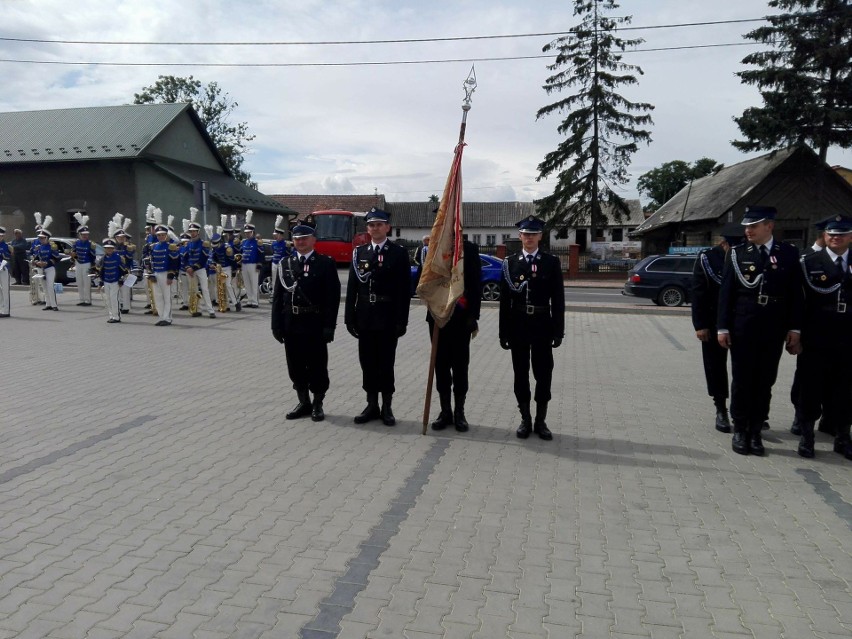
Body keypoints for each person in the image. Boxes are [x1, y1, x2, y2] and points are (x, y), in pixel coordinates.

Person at [717, 205, 803, 456]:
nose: (748, 231)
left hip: (773, 326)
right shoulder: (737, 253)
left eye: (753, 226)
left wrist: (795, 328)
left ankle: (756, 430)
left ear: (769, 226)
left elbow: (795, 295)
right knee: (743, 380)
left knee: (765, 380)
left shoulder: (788, 254)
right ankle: (741, 429)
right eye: (746, 226)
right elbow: (727, 294)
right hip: (743, 324)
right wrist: (722, 327)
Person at [499, 215, 565, 440]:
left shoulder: (551, 262)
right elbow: (505, 302)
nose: (529, 238)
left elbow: (558, 300)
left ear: (540, 236)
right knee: (521, 374)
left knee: (543, 373)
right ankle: (525, 419)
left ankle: (541, 421)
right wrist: (503, 332)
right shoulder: (510, 263)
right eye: (525, 234)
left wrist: (558, 330)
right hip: (518, 325)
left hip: (542, 325)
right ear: (520, 236)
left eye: (533, 234)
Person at [345, 208, 411, 426]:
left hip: (388, 316)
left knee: (386, 363)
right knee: (367, 363)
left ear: (387, 228)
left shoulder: (398, 253)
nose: (375, 228)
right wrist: (349, 318)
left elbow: (404, 291)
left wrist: (402, 320)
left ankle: (387, 406)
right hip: (365, 316)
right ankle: (371, 404)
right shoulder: (359, 252)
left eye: (379, 224)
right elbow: (353, 288)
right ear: (368, 228)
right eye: (371, 225)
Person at [271, 221, 341, 422]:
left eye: (304, 238)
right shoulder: (285, 263)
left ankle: (318, 402)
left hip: (315, 323)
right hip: (291, 322)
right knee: (295, 366)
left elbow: (332, 298)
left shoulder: (325, 263)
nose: (300, 242)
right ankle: (303, 401)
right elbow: (277, 297)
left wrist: (330, 326)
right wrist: (276, 325)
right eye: (296, 239)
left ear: (313, 240)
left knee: (317, 365)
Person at [795, 215, 852, 460]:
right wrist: (795, 333)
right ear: (825, 235)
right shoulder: (809, 261)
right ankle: (807, 436)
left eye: (841, 233)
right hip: (817, 334)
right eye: (831, 233)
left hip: (848, 335)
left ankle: (842, 436)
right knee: (811, 386)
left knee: (845, 389)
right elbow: (798, 302)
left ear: (850, 236)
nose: (835, 237)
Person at [421, 238, 481, 432]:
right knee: (441, 366)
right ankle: (445, 411)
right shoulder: (432, 248)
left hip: (461, 318)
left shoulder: (469, 249)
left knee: (460, 367)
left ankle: (459, 413)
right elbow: (423, 281)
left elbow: (475, 282)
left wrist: (473, 315)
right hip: (438, 318)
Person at [691, 223, 743, 433]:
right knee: (715, 367)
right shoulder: (707, 258)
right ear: (724, 244)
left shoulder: (749, 257)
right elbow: (698, 292)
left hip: (741, 322)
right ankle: (720, 408)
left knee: (744, 369)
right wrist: (700, 324)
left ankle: (744, 409)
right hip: (712, 323)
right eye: (733, 247)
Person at [183, 219, 216, 319]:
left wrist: (193, 268)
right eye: (191, 231)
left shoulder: (204, 244)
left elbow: (203, 259)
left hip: (200, 269)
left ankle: (210, 310)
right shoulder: (188, 244)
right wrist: (188, 267)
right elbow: (184, 258)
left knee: (205, 289)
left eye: (194, 231)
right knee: (194, 290)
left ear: (198, 232)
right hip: (190, 270)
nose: (192, 233)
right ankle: (198, 309)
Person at [149, 224, 180, 326]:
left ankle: (168, 318)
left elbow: (174, 262)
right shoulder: (154, 246)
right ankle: (161, 316)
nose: (161, 237)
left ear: (166, 235)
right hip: (156, 273)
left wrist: (171, 275)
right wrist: (151, 273)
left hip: (166, 273)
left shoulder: (170, 247)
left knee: (167, 297)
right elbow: (152, 261)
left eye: (163, 235)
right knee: (158, 297)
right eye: (159, 235)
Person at [96, 238, 128, 323]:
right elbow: (101, 272)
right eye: (107, 248)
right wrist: (100, 282)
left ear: (113, 249)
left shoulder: (118, 258)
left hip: (115, 281)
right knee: (108, 299)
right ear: (105, 249)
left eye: (110, 248)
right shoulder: (103, 259)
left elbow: (124, 271)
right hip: (106, 281)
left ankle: (117, 317)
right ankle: (111, 315)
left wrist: (121, 280)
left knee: (114, 299)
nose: (109, 250)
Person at [33, 219, 61, 311]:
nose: (41, 239)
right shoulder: (38, 247)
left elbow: (56, 258)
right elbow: (36, 258)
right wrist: (37, 262)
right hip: (41, 269)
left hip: (49, 268)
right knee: (44, 287)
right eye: (40, 238)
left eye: (43, 238)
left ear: (47, 238)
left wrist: (47, 263)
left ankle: (54, 305)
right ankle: (48, 304)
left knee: (50, 286)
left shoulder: (52, 246)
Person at [71, 215, 97, 306]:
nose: (85, 236)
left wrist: (93, 267)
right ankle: (81, 299)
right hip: (78, 263)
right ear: (79, 234)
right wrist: (73, 256)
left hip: (86, 263)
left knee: (87, 282)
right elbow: (73, 253)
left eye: (86, 234)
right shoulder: (76, 243)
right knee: (79, 281)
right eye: (83, 234)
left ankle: (88, 300)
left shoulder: (91, 244)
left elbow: (93, 256)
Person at [240, 210, 263, 308]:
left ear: (253, 232)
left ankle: (255, 301)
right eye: (246, 232)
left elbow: (261, 255)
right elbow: (241, 253)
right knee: (247, 283)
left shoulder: (257, 242)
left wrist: (259, 264)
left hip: (253, 265)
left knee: (254, 283)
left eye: (249, 232)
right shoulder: (244, 242)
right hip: (244, 264)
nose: (247, 234)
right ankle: (249, 300)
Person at [270, 215, 291, 305]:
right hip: (274, 263)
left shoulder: (285, 244)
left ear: (281, 235)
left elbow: (287, 254)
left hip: (282, 264)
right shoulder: (274, 244)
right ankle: (274, 296)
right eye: (275, 235)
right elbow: (273, 253)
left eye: (277, 235)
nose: (275, 237)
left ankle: (282, 296)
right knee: (274, 280)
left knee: (282, 280)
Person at [0, 227, 10, 317]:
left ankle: (6, 311)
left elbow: (8, 257)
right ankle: (0, 309)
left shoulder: (5, 246)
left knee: (5, 290)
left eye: (1, 236)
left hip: (3, 269)